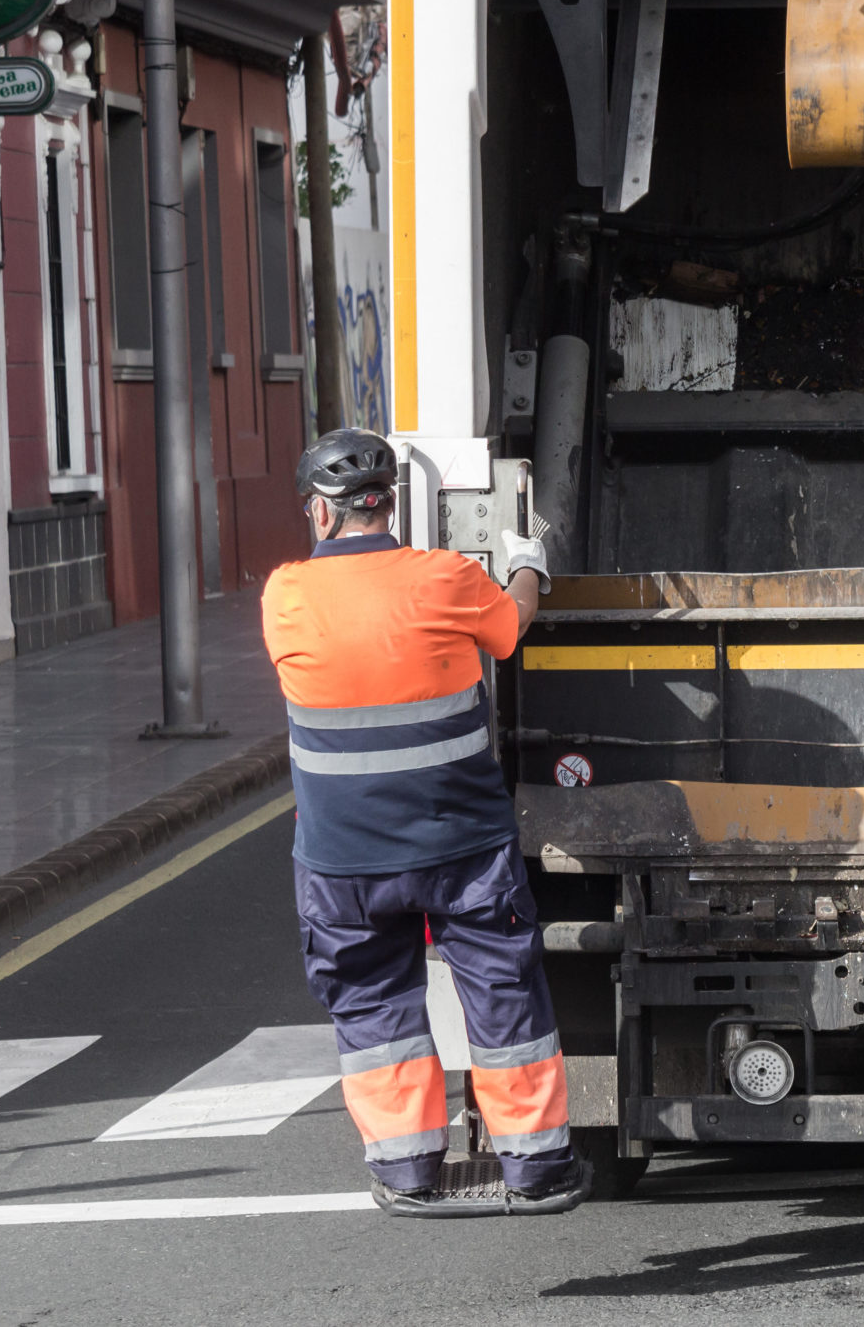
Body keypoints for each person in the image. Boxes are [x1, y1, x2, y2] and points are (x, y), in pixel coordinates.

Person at [262, 428, 589, 1218]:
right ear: (390, 503)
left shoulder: (285, 595)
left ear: (320, 513)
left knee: (374, 1007)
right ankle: (536, 1165)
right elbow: (510, 632)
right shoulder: (446, 578)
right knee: (502, 989)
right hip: (461, 845)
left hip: (343, 861)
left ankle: (407, 1170)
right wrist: (526, 561)